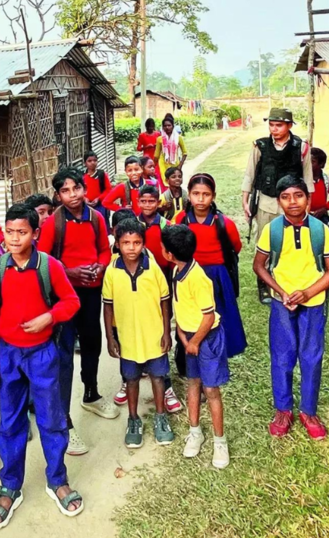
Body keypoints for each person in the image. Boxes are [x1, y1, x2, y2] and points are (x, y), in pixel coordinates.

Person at [0, 204, 84, 529]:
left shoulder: (48, 266)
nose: (13, 238)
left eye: (21, 232)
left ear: (35, 233)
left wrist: (49, 317)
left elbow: (72, 301)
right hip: (8, 355)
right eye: (9, 232)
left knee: (52, 418)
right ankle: (10, 485)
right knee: (10, 423)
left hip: (41, 354)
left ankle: (57, 479)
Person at [253, 176, 329, 441]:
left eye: (298, 195)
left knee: (312, 356)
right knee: (282, 356)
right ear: (279, 202)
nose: (293, 202)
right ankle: (283, 410)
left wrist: (308, 293)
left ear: (308, 198)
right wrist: (281, 292)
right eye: (286, 197)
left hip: (313, 304)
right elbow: (259, 265)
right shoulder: (272, 230)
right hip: (282, 304)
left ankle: (309, 411)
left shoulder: (320, 230)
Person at [38, 168, 118, 442]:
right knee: (64, 357)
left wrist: (102, 265)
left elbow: (105, 249)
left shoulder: (96, 218)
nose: (72, 195)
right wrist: (69, 273)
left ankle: (91, 393)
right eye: (65, 191)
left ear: (85, 189)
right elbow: (44, 259)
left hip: (91, 293)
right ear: (58, 195)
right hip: (63, 297)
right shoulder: (53, 224)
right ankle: (64, 420)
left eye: (76, 189)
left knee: (93, 343)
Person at [161, 224, 230, 469]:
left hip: (206, 339)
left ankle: (220, 441)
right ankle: (195, 432)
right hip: (189, 338)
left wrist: (194, 342)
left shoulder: (198, 278)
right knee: (193, 384)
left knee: (211, 391)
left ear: (169, 253)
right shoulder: (176, 269)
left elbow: (208, 316)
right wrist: (181, 333)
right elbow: (182, 310)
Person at [110, 185, 183, 415]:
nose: (148, 205)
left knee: (158, 343)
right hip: (132, 289)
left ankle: (167, 388)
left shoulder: (165, 226)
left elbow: (172, 254)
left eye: (153, 201)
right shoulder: (133, 227)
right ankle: (128, 380)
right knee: (131, 342)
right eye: (144, 201)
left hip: (157, 283)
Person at [103, 219, 175, 449]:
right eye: (126, 243)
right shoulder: (112, 272)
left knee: (157, 376)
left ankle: (160, 417)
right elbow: (108, 305)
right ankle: (133, 419)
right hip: (128, 339)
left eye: (137, 242)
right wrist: (110, 337)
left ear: (144, 243)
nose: (131, 248)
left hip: (154, 335)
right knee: (131, 378)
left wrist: (166, 331)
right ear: (117, 243)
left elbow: (165, 301)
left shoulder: (153, 268)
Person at [241, 108, 315, 304]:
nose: (274, 129)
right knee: (264, 244)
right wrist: (245, 199)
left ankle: (284, 280)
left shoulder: (301, 147)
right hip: (266, 202)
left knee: (289, 243)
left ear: (289, 126)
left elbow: (308, 179)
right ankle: (263, 285)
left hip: (292, 205)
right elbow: (250, 173)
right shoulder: (260, 146)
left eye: (279, 125)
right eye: (271, 125)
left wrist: (308, 205)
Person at [174, 174, 247, 362]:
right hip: (188, 276)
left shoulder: (224, 223)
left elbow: (235, 247)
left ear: (213, 196)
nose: (200, 199)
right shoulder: (181, 220)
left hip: (216, 277)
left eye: (205, 194)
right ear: (188, 195)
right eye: (195, 193)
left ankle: (218, 353)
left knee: (217, 317)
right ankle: (186, 353)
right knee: (190, 315)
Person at [309, 148, 329, 228]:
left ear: (321, 164)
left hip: (321, 216)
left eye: (312, 162)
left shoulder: (328, 180)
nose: (308, 164)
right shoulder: (300, 179)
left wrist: (324, 209)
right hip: (303, 216)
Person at [154, 114, 187, 182]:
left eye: (169, 125)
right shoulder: (159, 139)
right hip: (163, 165)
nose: (167, 127)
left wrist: (179, 166)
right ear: (162, 127)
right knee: (165, 185)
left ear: (173, 126)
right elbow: (156, 156)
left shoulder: (178, 138)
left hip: (175, 165)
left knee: (175, 184)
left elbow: (185, 153)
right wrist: (154, 168)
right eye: (165, 126)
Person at [82, 152, 113, 223]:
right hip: (86, 205)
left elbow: (108, 189)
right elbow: (79, 190)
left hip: (100, 205)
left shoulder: (102, 175)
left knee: (102, 222)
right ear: (85, 163)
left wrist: (98, 198)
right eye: (89, 161)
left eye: (95, 160)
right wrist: (84, 198)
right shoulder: (82, 176)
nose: (92, 163)